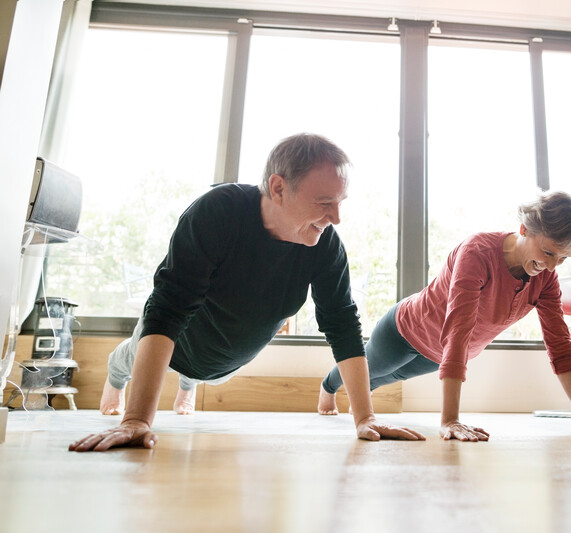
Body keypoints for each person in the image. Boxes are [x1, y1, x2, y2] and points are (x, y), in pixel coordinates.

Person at [69, 133, 424, 451]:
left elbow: (343, 326)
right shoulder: (218, 213)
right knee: (128, 356)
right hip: (174, 344)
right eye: (324, 202)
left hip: (224, 363)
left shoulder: (325, 246)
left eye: (339, 203)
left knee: (198, 374)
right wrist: (137, 420)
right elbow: (167, 309)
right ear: (279, 187)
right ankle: (116, 378)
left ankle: (188, 386)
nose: (336, 217)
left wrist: (365, 418)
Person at [318, 191, 571, 441]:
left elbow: (560, 345)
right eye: (549, 253)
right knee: (370, 370)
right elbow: (459, 328)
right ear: (524, 229)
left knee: (384, 379)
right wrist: (450, 420)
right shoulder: (478, 252)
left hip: (439, 354)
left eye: (564, 258)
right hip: (406, 330)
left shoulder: (546, 279)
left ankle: (358, 395)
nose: (553, 266)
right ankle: (327, 387)